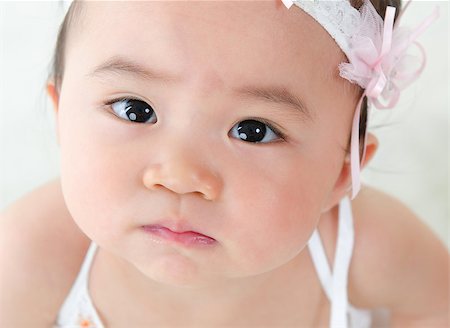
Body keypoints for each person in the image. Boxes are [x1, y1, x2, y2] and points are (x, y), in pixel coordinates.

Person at [0, 0, 447, 327]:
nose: (180, 177)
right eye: (135, 109)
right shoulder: (30, 255)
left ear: (343, 172)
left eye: (254, 130)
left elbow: (436, 307)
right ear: (61, 117)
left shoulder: (362, 248)